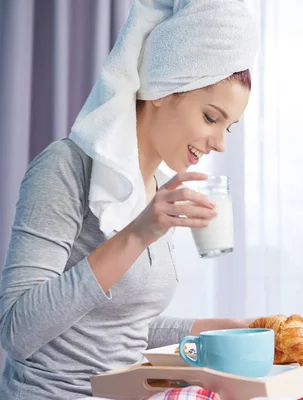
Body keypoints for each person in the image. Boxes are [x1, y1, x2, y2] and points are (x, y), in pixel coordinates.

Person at [0, 0, 257, 398]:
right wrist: (137, 234)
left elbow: (114, 328)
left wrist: (213, 329)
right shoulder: (66, 168)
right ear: (162, 89)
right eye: (210, 117)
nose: (220, 143)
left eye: (230, 127)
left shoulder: (154, 188)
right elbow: (16, 331)